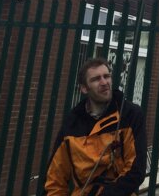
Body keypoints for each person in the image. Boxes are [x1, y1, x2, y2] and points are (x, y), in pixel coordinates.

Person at [43, 57, 147, 196]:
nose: (104, 82)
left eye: (106, 76)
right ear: (84, 88)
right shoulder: (72, 124)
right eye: (96, 79)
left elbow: (136, 170)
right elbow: (55, 180)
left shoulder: (130, 115)